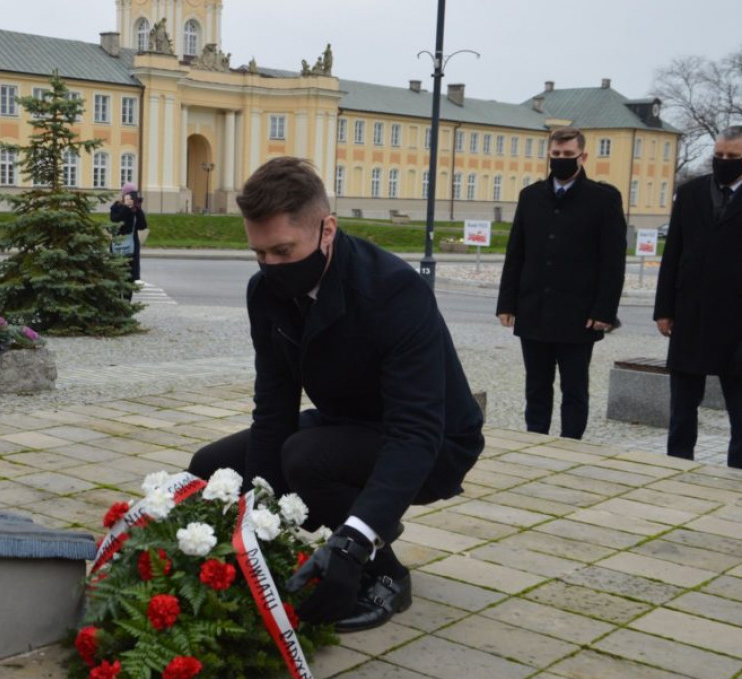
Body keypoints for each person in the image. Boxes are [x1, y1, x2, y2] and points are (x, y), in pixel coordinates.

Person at [187, 157, 484, 632]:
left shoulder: (393, 291)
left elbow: (416, 430)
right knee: (212, 468)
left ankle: (385, 572)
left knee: (304, 458)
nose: (271, 268)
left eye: (283, 251)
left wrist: (353, 541)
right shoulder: (265, 293)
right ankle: (349, 522)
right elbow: (274, 406)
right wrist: (259, 520)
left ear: (327, 229)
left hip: (436, 443)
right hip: (349, 425)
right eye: (259, 254)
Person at [496, 127, 626, 439]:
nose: (561, 160)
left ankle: (571, 445)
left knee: (575, 388)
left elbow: (613, 262)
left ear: (583, 156)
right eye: (556, 155)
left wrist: (604, 310)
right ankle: (534, 441)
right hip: (534, 308)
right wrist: (507, 303)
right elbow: (516, 253)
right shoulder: (531, 196)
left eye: (568, 155)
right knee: (536, 387)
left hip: (579, 313)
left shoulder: (604, 199)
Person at [654, 125, 742, 468]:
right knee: (682, 408)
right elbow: (672, 252)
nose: (723, 161)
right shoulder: (690, 193)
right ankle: (678, 464)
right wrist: (664, 309)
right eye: (719, 155)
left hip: (736, 322)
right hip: (690, 315)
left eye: (733, 157)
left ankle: (736, 475)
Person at [109, 182, 148, 286]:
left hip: (132, 247)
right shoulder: (116, 207)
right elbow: (115, 220)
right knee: (116, 276)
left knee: (130, 278)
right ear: (123, 195)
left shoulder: (136, 210)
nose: (131, 198)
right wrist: (126, 208)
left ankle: (127, 300)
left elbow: (143, 225)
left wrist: (138, 209)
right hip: (118, 245)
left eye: (133, 195)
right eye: (129, 195)